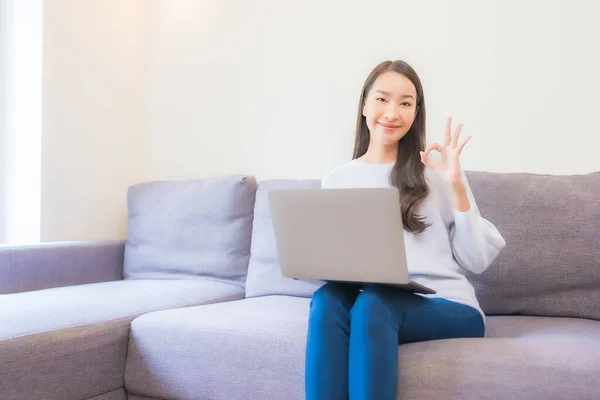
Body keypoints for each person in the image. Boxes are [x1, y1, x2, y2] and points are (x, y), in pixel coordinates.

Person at [304, 60, 507, 400]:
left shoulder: (437, 173)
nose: (392, 112)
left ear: (416, 113)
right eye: (382, 99)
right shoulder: (338, 179)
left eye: (406, 103)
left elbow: (477, 259)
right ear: (365, 105)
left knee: (374, 304)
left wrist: (456, 185)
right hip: (375, 299)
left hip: (448, 305)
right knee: (326, 299)